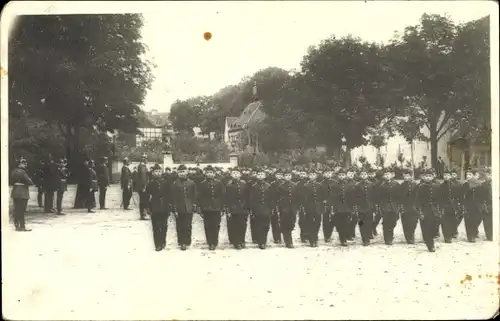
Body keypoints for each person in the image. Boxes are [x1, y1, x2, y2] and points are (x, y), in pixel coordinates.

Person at [197, 166, 224, 250]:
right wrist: (200, 208)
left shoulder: (219, 183)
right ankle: (210, 242)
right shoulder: (202, 184)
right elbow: (199, 196)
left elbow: (222, 195)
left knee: (216, 225)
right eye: (208, 172)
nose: (209, 174)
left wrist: (222, 208)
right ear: (205, 173)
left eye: (211, 172)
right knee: (207, 225)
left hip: (216, 207)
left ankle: (215, 241)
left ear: (214, 173)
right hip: (206, 208)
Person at [171, 165, 197, 250]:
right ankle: (182, 242)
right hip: (179, 207)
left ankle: (187, 241)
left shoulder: (191, 183)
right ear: (178, 173)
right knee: (180, 225)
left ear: (187, 172)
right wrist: (174, 209)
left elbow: (194, 195)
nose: (182, 173)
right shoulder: (175, 184)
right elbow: (173, 197)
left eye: (183, 171)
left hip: (189, 207)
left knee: (188, 225)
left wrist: (194, 205)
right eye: (180, 172)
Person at [224, 169, 249, 249]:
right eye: (234, 173)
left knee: (243, 225)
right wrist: (228, 210)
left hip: (243, 208)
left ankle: (242, 240)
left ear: (240, 175)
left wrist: (246, 207)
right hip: (233, 208)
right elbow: (227, 198)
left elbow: (247, 196)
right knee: (234, 225)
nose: (235, 175)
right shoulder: (229, 185)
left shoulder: (244, 184)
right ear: (231, 175)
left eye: (237, 173)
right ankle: (236, 242)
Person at [416, 169, 440, 252]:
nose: (428, 178)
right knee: (426, 228)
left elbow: (440, 199)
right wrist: (420, 212)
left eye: (430, 176)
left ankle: (431, 238)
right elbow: (417, 200)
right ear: (423, 177)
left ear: (433, 176)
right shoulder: (420, 187)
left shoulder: (437, 186)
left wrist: (439, 209)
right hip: (425, 210)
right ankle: (430, 245)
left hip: (435, 210)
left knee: (434, 227)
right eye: (426, 176)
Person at [146, 164, 168, 251]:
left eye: (159, 171)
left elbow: (169, 195)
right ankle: (157, 244)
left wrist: (169, 206)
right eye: (156, 171)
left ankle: (163, 241)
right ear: (153, 172)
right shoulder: (150, 184)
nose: (158, 173)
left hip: (164, 207)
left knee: (164, 225)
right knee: (156, 226)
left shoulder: (166, 182)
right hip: (154, 207)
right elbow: (146, 196)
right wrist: (148, 208)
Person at [249, 170, 273, 249]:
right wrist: (252, 210)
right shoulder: (254, 186)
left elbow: (271, 199)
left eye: (262, 174)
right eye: (258, 174)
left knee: (266, 226)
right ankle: (261, 242)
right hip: (257, 209)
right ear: (256, 176)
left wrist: (271, 209)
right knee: (258, 225)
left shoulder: (268, 186)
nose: (260, 176)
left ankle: (264, 240)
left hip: (266, 209)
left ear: (265, 176)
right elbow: (252, 199)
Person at [331, 168, 355, 246]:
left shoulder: (349, 184)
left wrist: (352, 207)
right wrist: (333, 208)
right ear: (338, 176)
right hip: (338, 208)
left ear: (345, 176)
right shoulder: (335, 185)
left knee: (346, 223)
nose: (341, 176)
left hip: (347, 207)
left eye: (343, 175)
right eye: (340, 175)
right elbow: (333, 197)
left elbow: (351, 197)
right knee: (339, 224)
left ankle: (344, 239)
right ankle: (342, 238)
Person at [438, 168, 462, 243]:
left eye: (448, 175)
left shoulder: (455, 185)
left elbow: (458, 196)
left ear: (450, 176)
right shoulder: (440, 186)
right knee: (444, 222)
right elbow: (439, 198)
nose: (446, 177)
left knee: (452, 221)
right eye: (445, 175)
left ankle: (451, 233)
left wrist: (458, 205)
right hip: (444, 207)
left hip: (453, 207)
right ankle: (447, 237)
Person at [377, 168, 400, 245]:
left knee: (393, 222)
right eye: (385, 174)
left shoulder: (396, 184)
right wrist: (381, 207)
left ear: (392, 175)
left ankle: (390, 235)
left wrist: (398, 206)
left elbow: (398, 196)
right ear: (383, 176)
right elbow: (380, 198)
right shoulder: (382, 186)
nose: (387, 176)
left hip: (394, 207)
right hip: (385, 207)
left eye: (388, 174)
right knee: (386, 223)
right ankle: (387, 238)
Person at [353, 167, 375, 246]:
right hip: (360, 208)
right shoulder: (357, 185)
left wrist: (374, 207)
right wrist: (356, 207)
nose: (363, 175)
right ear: (360, 175)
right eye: (362, 174)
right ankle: (364, 239)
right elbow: (355, 197)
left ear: (367, 175)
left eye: (365, 174)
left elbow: (373, 197)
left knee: (369, 223)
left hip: (369, 207)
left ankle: (368, 237)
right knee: (361, 223)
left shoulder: (371, 184)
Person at [10, 157, 33, 231]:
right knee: (22, 210)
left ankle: (17, 225)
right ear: (20, 164)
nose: (25, 165)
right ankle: (22, 227)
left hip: (15, 191)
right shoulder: (22, 172)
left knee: (16, 209)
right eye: (24, 163)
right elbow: (29, 182)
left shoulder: (13, 171)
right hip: (22, 192)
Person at [277, 171, 299, 248]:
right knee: (286, 224)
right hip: (284, 208)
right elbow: (279, 199)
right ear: (284, 177)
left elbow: (297, 197)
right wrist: (282, 207)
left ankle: (287, 239)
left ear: (291, 176)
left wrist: (296, 207)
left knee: (291, 224)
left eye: (289, 175)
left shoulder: (295, 185)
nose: (288, 177)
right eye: (286, 175)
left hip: (292, 208)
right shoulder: (281, 186)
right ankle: (288, 242)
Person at [303, 171, 325, 247]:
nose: (312, 176)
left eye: (314, 175)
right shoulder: (305, 186)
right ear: (309, 176)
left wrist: (322, 206)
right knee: (310, 223)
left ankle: (315, 236)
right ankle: (312, 240)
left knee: (318, 223)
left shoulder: (320, 185)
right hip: (309, 207)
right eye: (311, 175)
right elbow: (304, 198)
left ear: (316, 176)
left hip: (318, 207)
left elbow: (323, 197)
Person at [461, 168, 483, 242]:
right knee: (468, 220)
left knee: (477, 220)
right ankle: (470, 236)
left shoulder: (479, 185)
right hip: (468, 205)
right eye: (467, 174)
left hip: (477, 206)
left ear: (474, 175)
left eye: (470, 174)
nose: (468, 176)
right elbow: (462, 196)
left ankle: (474, 231)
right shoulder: (465, 185)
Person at [398, 168, 419, 244]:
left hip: (413, 207)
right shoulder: (401, 185)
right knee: (406, 223)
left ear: (411, 176)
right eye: (404, 176)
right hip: (404, 207)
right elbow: (399, 197)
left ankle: (411, 234)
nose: (406, 177)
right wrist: (400, 207)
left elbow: (418, 196)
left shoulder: (415, 184)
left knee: (413, 222)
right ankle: (409, 237)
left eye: (408, 176)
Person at [479, 167, 492, 241]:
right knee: (487, 221)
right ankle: (489, 235)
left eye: (490, 174)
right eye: (487, 174)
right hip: (486, 205)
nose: (489, 176)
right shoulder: (483, 184)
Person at [136, 154, 150, 220]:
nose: (147, 160)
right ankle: (143, 215)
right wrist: (144, 186)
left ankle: (143, 214)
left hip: (142, 186)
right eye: (146, 159)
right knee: (143, 201)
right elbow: (143, 178)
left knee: (143, 200)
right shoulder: (142, 166)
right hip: (143, 187)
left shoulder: (141, 166)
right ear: (144, 159)